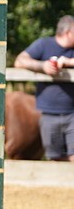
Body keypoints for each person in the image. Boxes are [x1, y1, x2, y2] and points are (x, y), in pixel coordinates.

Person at [13, 16, 74, 161]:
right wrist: (42, 66)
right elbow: (20, 61)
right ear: (68, 32)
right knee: (55, 157)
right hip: (48, 113)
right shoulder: (43, 44)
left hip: (73, 113)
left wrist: (68, 62)